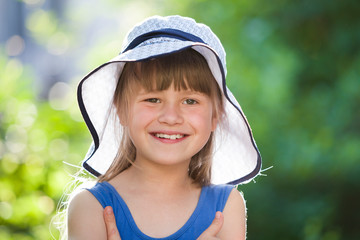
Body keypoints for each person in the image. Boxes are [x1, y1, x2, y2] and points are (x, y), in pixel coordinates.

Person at [66, 15, 262, 239]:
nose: (171, 117)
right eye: (152, 99)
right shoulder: (92, 207)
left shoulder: (226, 207)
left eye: (190, 101)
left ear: (216, 115)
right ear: (121, 108)